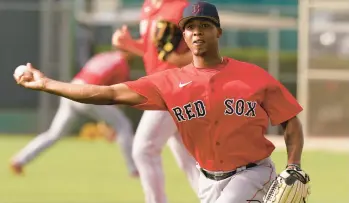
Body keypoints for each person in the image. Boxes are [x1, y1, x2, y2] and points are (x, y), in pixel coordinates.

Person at [14, 2, 309, 202]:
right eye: (190, 28)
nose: (197, 32)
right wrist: (46, 84)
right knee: (174, 148)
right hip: (209, 181)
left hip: (254, 172)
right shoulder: (168, 83)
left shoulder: (251, 76)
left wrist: (293, 165)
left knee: (146, 148)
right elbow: (110, 94)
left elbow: (290, 120)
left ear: (218, 31)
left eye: (204, 26)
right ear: (184, 34)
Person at [112, 0, 199, 202]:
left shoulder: (182, 7)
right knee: (188, 159)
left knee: (144, 149)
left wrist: (178, 59)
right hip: (159, 84)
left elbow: (205, 50)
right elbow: (155, 53)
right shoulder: (149, 6)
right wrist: (128, 45)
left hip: (176, 87)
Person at [11, 50, 138, 178]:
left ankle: (20, 160)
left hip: (71, 89)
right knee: (123, 125)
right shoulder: (122, 65)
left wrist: (106, 122)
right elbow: (117, 96)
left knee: (54, 133)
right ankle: (134, 169)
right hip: (87, 93)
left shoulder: (103, 56)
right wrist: (109, 125)